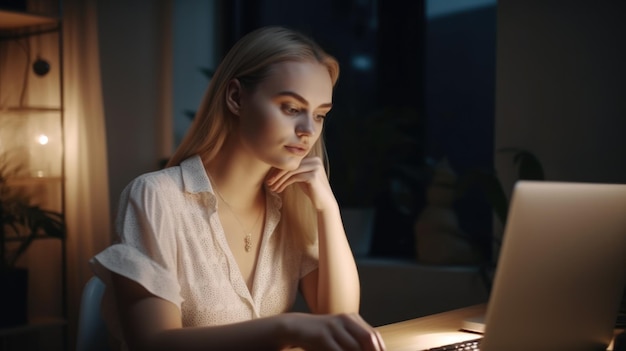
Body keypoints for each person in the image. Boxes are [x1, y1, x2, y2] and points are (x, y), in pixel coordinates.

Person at [90, 26, 386, 351]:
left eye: (319, 115)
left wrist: (328, 209)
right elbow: (153, 344)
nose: (307, 130)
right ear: (235, 97)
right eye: (291, 108)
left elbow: (341, 321)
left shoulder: (291, 206)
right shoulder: (156, 196)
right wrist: (286, 328)